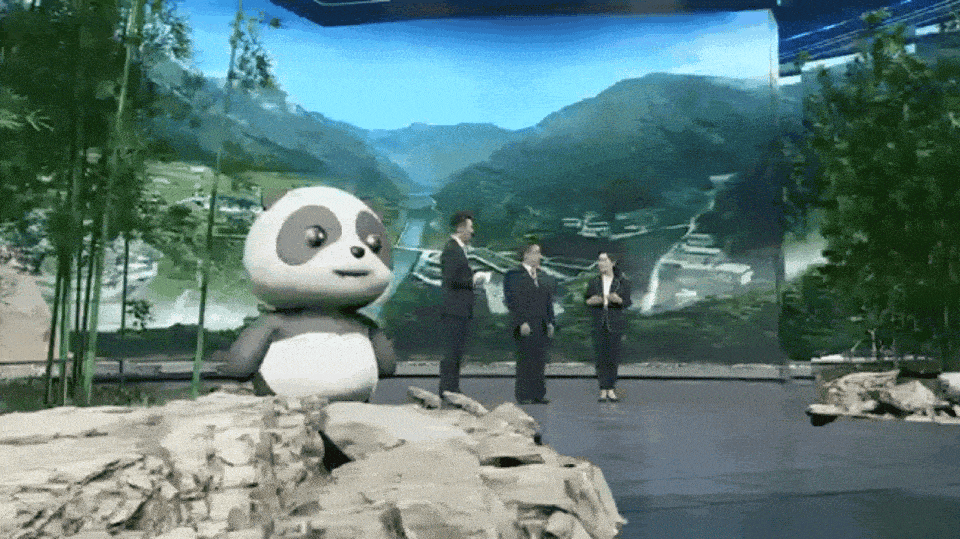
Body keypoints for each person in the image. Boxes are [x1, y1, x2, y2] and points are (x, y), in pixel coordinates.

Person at [439, 211, 491, 395]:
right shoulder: (452, 250)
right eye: (470, 228)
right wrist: (475, 278)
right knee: (452, 351)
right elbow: (452, 278)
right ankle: (448, 388)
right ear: (460, 228)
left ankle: (452, 387)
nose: (472, 232)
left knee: (456, 351)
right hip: (454, 309)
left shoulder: (457, 249)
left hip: (460, 309)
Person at [503, 242, 555, 404]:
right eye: (535, 252)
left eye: (539, 252)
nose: (539, 256)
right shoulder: (513, 275)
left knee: (539, 358)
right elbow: (512, 301)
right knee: (525, 358)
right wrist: (521, 321)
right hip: (525, 323)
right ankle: (524, 394)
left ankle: (538, 393)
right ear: (526, 254)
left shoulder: (541, 276)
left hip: (541, 322)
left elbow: (548, 300)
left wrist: (550, 322)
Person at [585, 252, 632, 402]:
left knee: (613, 357)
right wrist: (593, 301)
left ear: (612, 263)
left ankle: (610, 388)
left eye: (604, 260)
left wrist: (618, 300)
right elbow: (586, 300)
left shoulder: (622, 282)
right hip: (599, 324)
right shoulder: (594, 282)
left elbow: (628, 302)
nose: (601, 264)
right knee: (600, 357)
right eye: (599, 260)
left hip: (614, 324)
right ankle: (602, 388)